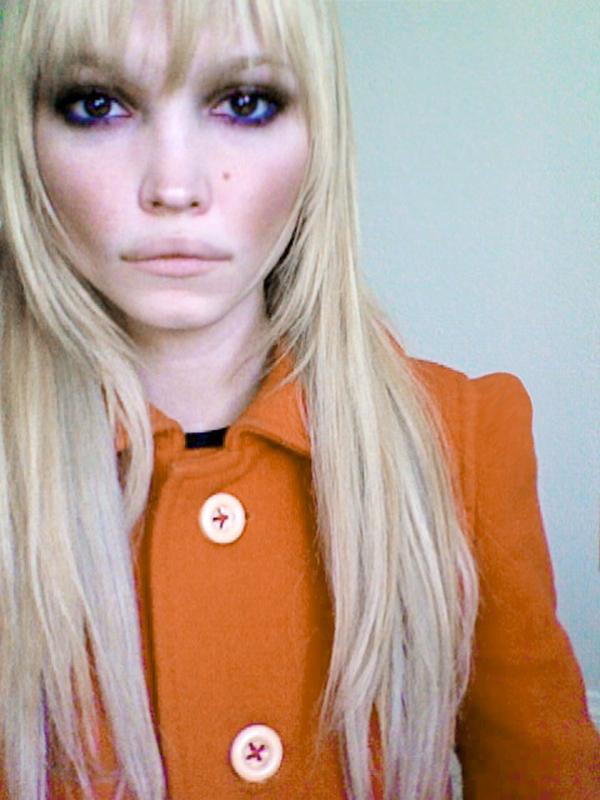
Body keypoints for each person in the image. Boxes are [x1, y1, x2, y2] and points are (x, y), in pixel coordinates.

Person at [0, 0, 598, 798]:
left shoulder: (460, 442)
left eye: (245, 103)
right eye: (97, 105)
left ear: (321, 134)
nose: (174, 187)